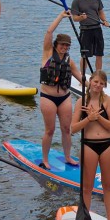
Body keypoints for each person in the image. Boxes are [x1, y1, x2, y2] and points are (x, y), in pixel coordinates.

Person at [71, 70, 110, 220]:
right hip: (88, 144)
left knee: (108, 185)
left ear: (104, 85)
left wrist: (98, 117)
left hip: (108, 145)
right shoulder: (81, 102)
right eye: (95, 81)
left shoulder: (108, 101)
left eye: (101, 83)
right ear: (90, 82)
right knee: (87, 187)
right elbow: (73, 129)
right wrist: (88, 119)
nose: (98, 85)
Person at [40, 11, 84, 169]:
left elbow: (80, 77)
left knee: (67, 129)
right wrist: (61, 16)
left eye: (67, 45)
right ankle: (45, 159)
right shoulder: (47, 54)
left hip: (64, 97)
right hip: (48, 97)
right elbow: (49, 32)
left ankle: (67, 157)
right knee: (50, 130)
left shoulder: (69, 61)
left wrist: (91, 85)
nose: (64, 47)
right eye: (62, 45)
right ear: (56, 45)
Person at [71, 0, 110, 73]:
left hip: (97, 29)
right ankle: (82, 76)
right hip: (85, 30)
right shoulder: (76, 1)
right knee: (85, 56)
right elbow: (74, 18)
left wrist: (104, 20)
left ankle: (98, 75)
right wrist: (81, 18)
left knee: (99, 54)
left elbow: (100, 11)